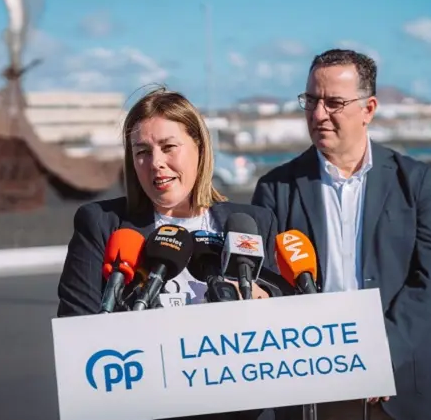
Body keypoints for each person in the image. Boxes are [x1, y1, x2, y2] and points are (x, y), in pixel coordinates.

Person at [252, 49, 431, 420]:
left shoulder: (415, 181)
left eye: (334, 102)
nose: (318, 115)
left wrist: (380, 357)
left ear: (368, 109)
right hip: (315, 390)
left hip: (405, 386)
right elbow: (266, 286)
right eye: (311, 101)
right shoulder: (275, 189)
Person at [56, 87, 273, 420]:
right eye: (142, 151)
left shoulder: (251, 223)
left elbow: (287, 319)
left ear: (200, 148)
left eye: (169, 147)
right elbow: (78, 331)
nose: (156, 163)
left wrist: (266, 300)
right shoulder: (101, 224)